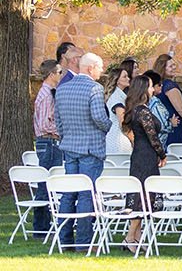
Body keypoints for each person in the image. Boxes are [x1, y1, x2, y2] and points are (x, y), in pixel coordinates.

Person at [55, 51, 110, 252]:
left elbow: (58, 121)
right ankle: (84, 241)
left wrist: (66, 136)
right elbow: (99, 117)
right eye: (100, 67)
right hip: (90, 147)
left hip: (69, 146)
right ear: (90, 68)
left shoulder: (62, 89)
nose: (102, 71)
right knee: (87, 193)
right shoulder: (94, 88)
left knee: (69, 193)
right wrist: (108, 125)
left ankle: (64, 239)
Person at [122, 74, 167, 251]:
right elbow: (152, 137)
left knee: (142, 195)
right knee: (142, 196)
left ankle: (136, 236)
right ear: (143, 90)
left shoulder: (137, 109)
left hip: (140, 154)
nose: (152, 89)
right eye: (149, 86)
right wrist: (162, 154)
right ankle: (129, 237)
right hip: (145, 156)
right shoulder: (142, 111)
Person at [31, 60, 62, 239]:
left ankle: (45, 226)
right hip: (48, 142)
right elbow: (44, 124)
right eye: (59, 72)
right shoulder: (45, 95)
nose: (60, 75)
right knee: (45, 185)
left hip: (50, 142)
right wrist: (60, 131)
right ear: (51, 74)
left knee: (49, 185)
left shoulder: (50, 93)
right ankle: (40, 229)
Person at [153, 53, 182, 146]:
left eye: (174, 65)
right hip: (173, 126)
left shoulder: (160, 85)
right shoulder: (169, 86)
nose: (174, 67)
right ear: (163, 68)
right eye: (170, 66)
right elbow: (181, 109)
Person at [103, 64, 132, 156]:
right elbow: (122, 122)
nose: (128, 79)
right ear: (117, 81)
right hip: (118, 140)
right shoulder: (117, 98)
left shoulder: (118, 95)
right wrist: (132, 139)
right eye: (124, 77)